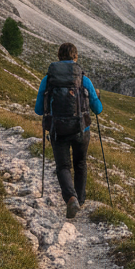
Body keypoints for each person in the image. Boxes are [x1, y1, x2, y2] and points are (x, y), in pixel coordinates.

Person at [34, 42, 103, 218]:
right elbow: (98, 109)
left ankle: (70, 198)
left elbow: (39, 110)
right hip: (82, 129)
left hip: (57, 130)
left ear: (58, 57)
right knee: (80, 164)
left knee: (63, 166)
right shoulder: (83, 78)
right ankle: (80, 199)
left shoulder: (48, 79)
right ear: (76, 57)